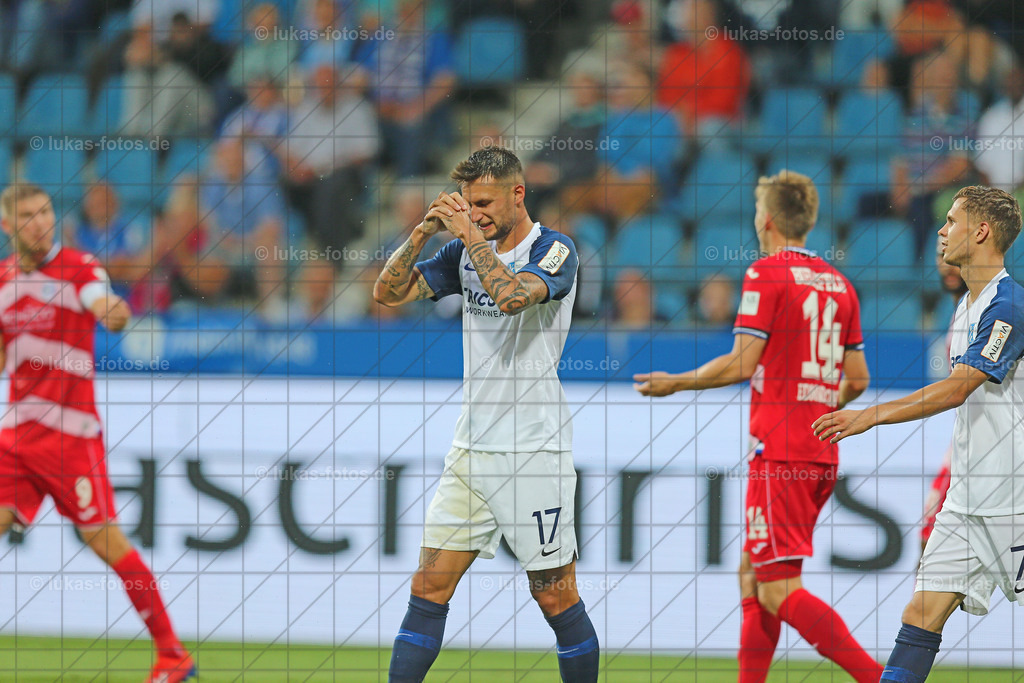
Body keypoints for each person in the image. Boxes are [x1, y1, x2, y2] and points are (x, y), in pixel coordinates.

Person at [634, 170, 882, 683]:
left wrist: (675, 383)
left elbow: (741, 364)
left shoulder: (766, 273)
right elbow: (857, 380)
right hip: (818, 451)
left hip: (782, 454)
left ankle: (881, 679)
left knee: (775, 588)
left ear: (765, 219)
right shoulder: (841, 286)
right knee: (754, 574)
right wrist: (812, 404)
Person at [372, 147, 599, 683]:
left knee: (554, 594)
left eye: (485, 202)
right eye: (468, 204)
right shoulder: (460, 251)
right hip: (471, 450)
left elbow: (514, 298)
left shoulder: (554, 249)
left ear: (518, 194)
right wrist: (424, 232)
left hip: (534, 451)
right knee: (428, 587)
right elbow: (386, 293)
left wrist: (469, 240)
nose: (475, 214)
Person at [814, 186, 1024, 683]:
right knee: (920, 615)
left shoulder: (1009, 305)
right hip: (967, 503)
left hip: (1015, 503)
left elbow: (958, 389)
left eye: (951, 220)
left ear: (981, 231)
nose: (941, 229)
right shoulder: (964, 308)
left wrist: (871, 415)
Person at [0, 184, 195, 682]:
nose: (39, 223)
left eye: (44, 212)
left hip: (71, 439)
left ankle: (173, 655)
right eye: (26, 216)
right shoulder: (3, 282)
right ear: (7, 227)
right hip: (16, 440)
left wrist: (114, 311)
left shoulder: (78, 268)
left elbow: (104, 302)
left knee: (108, 545)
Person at [920, 235, 969, 553]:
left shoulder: (990, 311)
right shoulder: (959, 313)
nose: (947, 264)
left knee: (931, 537)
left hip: (991, 450)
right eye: (941, 256)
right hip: (968, 444)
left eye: (956, 256)